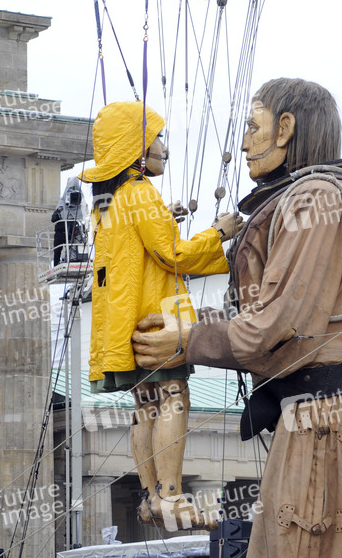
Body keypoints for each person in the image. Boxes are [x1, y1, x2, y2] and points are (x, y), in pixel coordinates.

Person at [133, 78, 342, 557]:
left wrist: (188, 340)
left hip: (322, 426)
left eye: (252, 127)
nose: (243, 142)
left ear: (285, 128)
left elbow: (278, 325)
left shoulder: (315, 198)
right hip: (329, 418)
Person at [80, 101, 243, 529]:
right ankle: (171, 496)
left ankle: (151, 497)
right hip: (156, 318)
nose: (164, 149)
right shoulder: (140, 193)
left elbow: (131, 248)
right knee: (173, 396)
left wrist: (163, 217)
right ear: (136, 150)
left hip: (124, 320)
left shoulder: (108, 201)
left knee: (146, 405)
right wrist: (220, 233)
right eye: (157, 139)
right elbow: (176, 255)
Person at [52, 178, 87, 265]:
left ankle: (70, 260)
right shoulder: (62, 202)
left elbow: (84, 212)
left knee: (72, 248)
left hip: (72, 230)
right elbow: (53, 219)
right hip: (61, 230)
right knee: (57, 250)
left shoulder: (80, 200)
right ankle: (56, 264)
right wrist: (58, 212)